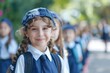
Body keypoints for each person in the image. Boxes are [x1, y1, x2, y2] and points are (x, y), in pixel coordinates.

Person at [8, 7, 68, 73]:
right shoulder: (24, 60)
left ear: (51, 31)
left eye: (45, 28)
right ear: (26, 32)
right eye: (34, 29)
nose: (40, 34)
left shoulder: (58, 60)